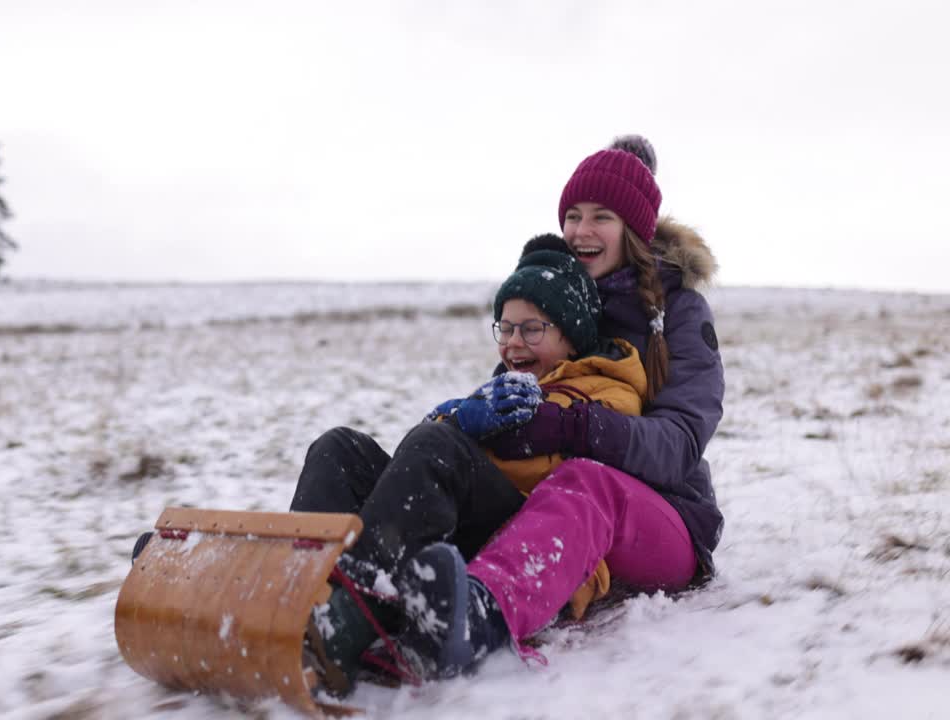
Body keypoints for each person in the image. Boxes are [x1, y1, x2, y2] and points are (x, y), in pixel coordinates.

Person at [394, 135, 724, 681]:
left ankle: (478, 617)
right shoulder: (563, 303)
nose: (580, 231)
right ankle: (348, 588)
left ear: (634, 229)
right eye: (572, 215)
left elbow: (680, 445)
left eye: (602, 216)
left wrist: (571, 427)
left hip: (665, 523)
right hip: (556, 505)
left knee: (584, 479)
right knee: (434, 457)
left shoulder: (681, 312)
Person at [293, 238, 648, 694]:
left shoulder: (608, 397)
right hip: (462, 519)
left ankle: (353, 616)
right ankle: (302, 590)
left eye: (532, 329)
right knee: (340, 449)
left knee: (438, 444)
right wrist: (460, 417)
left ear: (572, 336)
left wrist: (471, 430)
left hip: (518, 543)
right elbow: (415, 462)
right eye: (505, 328)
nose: (513, 343)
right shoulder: (505, 388)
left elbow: (588, 505)